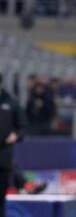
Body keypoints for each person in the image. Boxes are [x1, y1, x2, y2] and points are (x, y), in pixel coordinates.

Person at [0, 73, 27, 217]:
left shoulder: (11, 103)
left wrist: (16, 135)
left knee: (1, 198)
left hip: (3, 157)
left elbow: (23, 127)